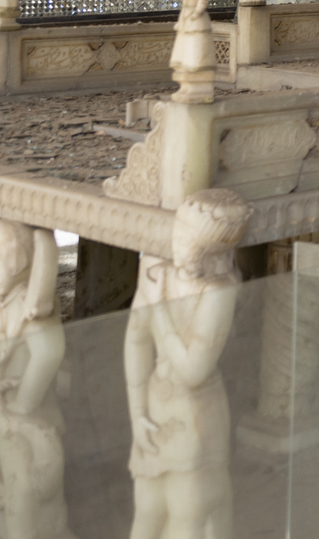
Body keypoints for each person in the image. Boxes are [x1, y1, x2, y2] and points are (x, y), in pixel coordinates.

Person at [126, 189, 251, 539]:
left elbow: (193, 371)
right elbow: (135, 339)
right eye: (177, 232)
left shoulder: (217, 292)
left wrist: (158, 310)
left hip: (196, 413)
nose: (176, 242)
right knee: (148, 510)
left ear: (208, 249)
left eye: (186, 237)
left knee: (188, 514)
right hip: (155, 404)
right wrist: (137, 415)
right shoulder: (158, 275)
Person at [0, 221, 71, 539]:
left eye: (1, 259)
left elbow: (49, 352)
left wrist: (24, 404)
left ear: (20, 263)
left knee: (22, 492)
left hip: (21, 418)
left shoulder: (29, 304)